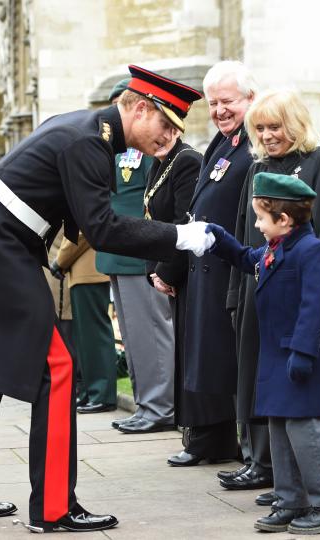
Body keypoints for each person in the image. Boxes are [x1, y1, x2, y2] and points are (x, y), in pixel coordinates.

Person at [0, 64, 209, 532]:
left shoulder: (84, 129)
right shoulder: (89, 141)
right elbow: (103, 228)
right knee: (57, 367)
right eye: (166, 125)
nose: (169, 137)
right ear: (140, 109)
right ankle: (54, 507)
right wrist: (178, 236)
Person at [207, 172, 320, 535]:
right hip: (276, 358)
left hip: (300, 358)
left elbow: (314, 306)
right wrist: (217, 237)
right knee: (280, 431)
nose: (256, 225)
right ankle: (290, 500)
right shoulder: (277, 248)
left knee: (306, 434)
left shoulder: (310, 250)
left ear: (284, 220)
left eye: (261, 217)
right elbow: (247, 260)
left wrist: (303, 354)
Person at [234, 90, 320, 506]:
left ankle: (319, 494)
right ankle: (283, 485)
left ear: (296, 124)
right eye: (261, 128)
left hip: (308, 300)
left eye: (276, 126)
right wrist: (238, 295)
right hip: (266, 295)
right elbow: (246, 233)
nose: (269, 136)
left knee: (303, 401)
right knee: (272, 394)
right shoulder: (260, 168)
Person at [170, 60, 254, 470]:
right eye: (214, 102)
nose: (220, 110)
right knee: (207, 357)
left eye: (228, 102)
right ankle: (210, 439)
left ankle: (237, 443)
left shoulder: (252, 144)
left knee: (225, 358)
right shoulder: (221, 143)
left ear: (250, 99)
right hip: (207, 265)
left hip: (232, 266)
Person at [96, 78, 175, 433]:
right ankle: (147, 403)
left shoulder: (143, 147)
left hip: (139, 250)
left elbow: (150, 198)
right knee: (132, 336)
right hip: (118, 251)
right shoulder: (107, 147)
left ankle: (161, 406)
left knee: (152, 332)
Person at [145, 134, 202, 436]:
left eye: (170, 128)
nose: (162, 137)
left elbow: (184, 222)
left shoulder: (186, 161)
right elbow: (152, 220)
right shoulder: (159, 163)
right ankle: (190, 433)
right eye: (159, 127)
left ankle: (195, 432)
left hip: (187, 272)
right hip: (167, 269)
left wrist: (167, 272)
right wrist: (153, 270)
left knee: (187, 351)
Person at [52, 233, 117, 414]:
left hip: (90, 271)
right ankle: (92, 392)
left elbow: (81, 232)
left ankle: (102, 394)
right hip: (82, 271)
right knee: (86, 338)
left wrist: (60, 261)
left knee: (94, 335)